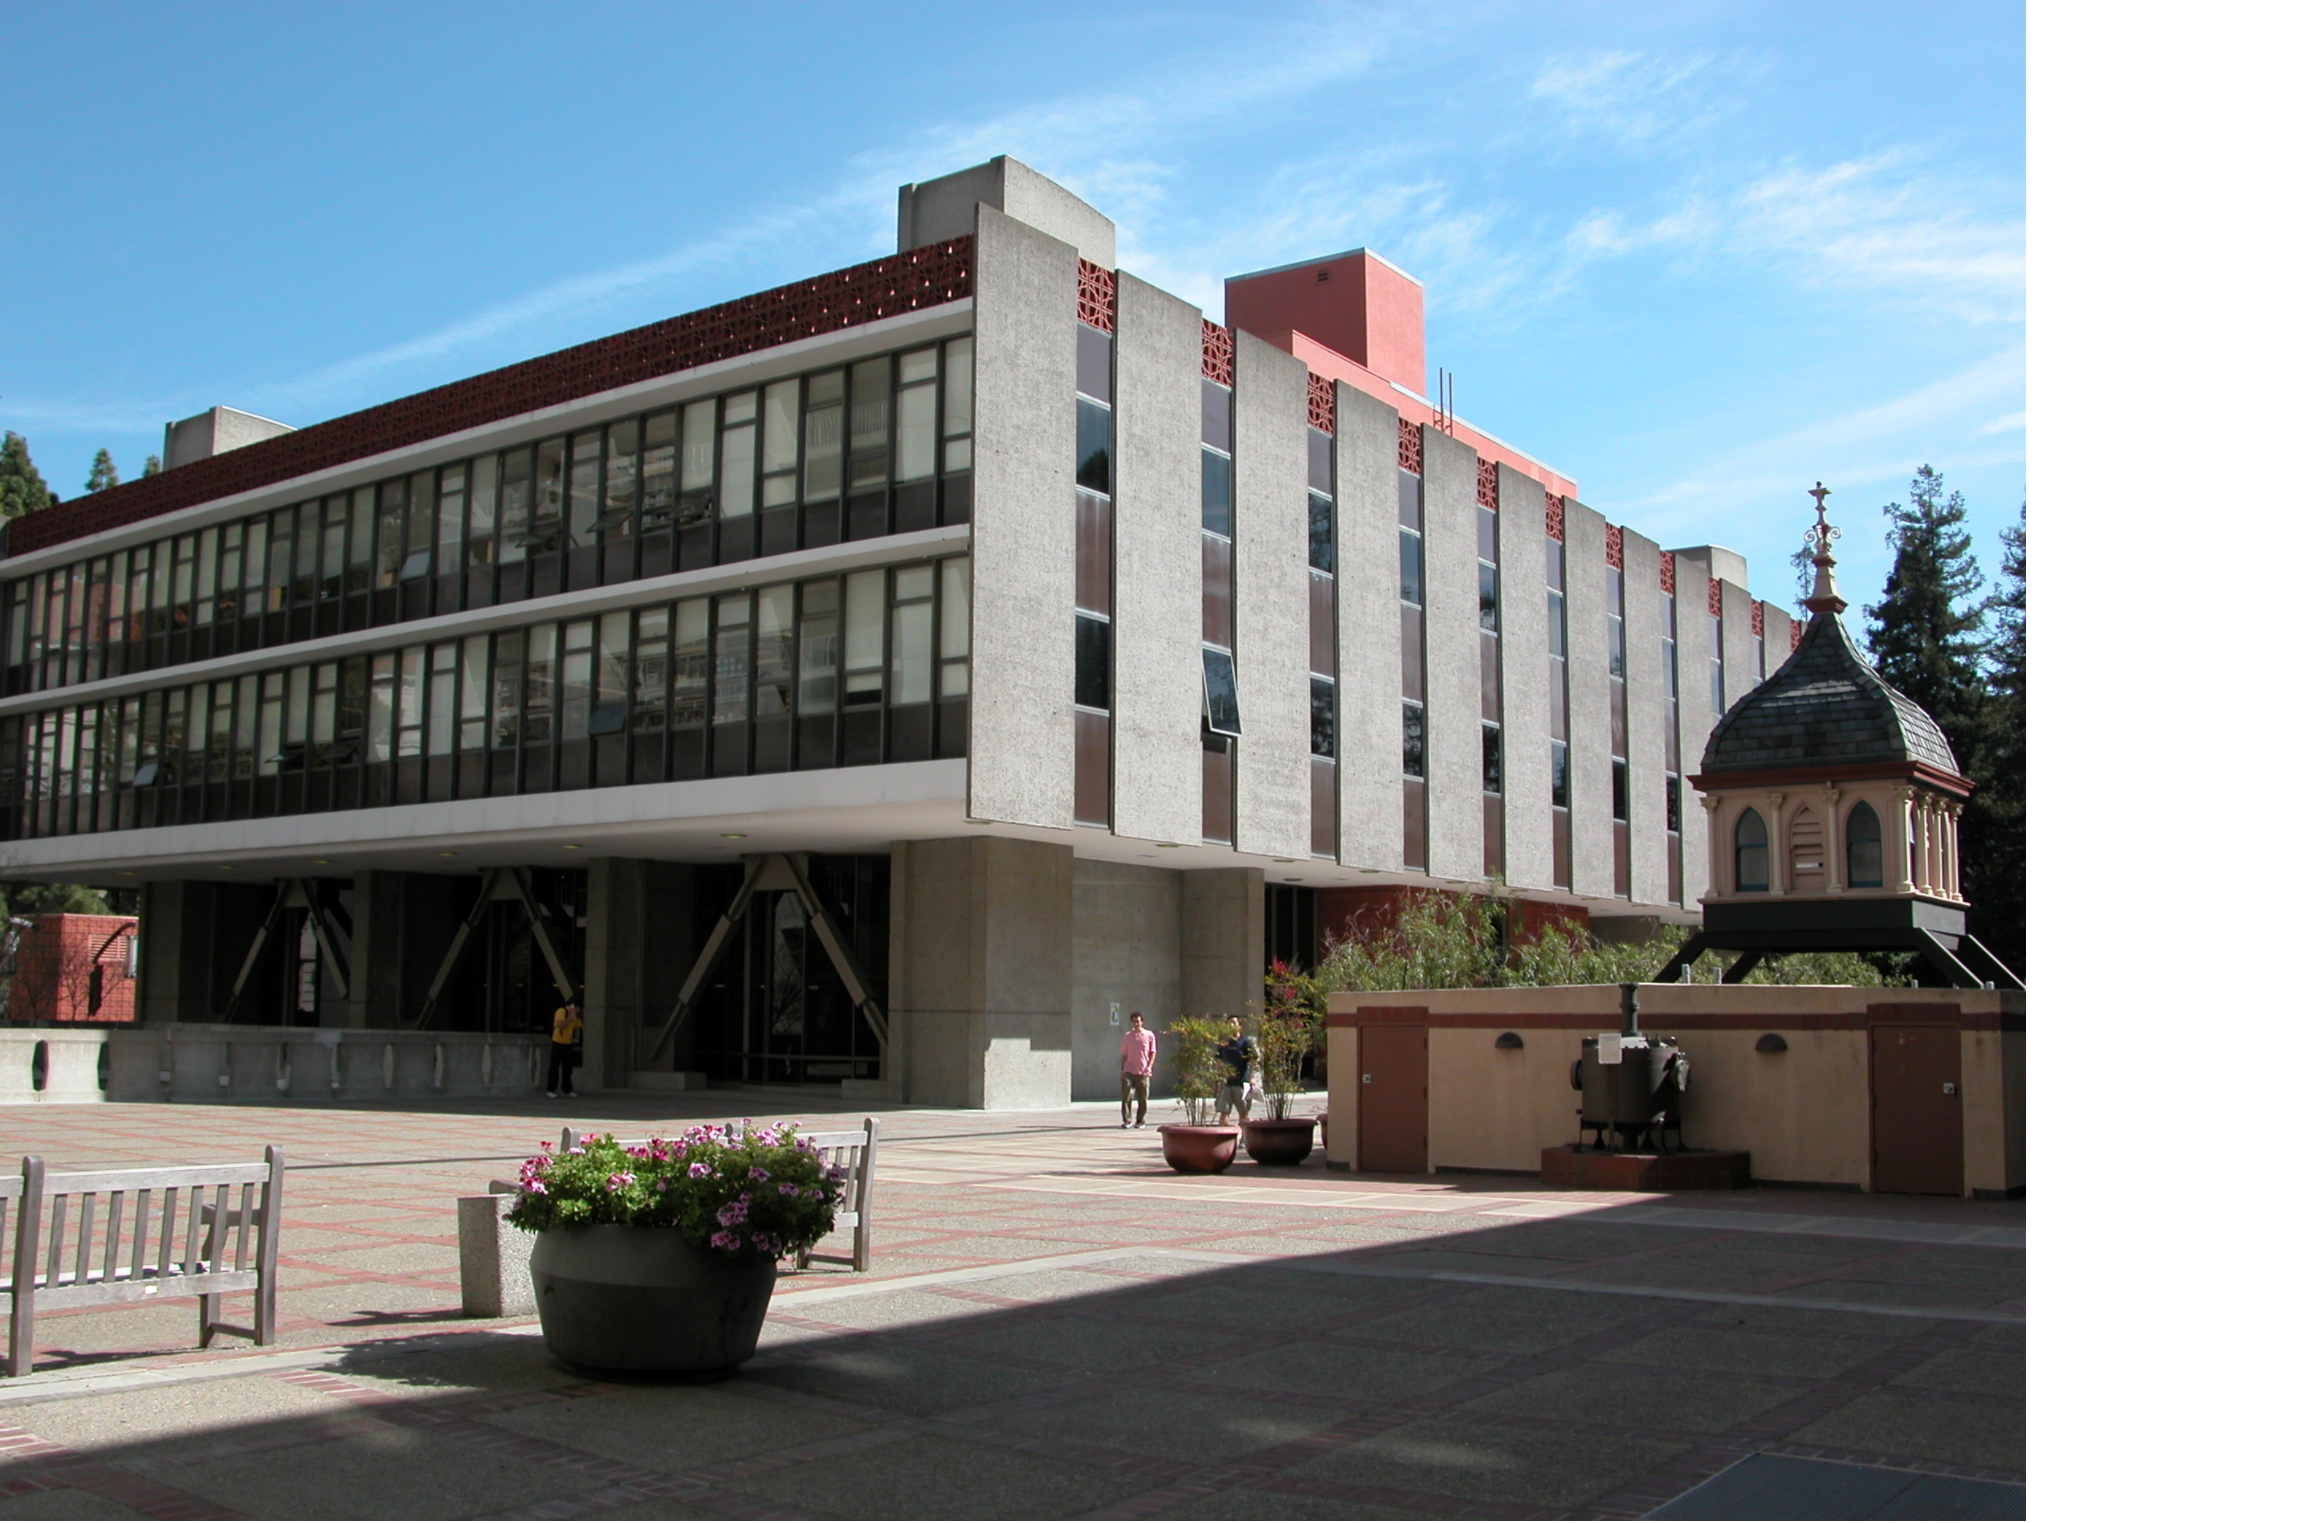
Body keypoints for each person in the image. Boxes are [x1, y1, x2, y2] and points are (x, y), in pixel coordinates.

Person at [1216, 1015, 1257, 1127]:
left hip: (1242, 1083)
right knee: (1224, 1112)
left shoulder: (1245, 1043)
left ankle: (1244, 1138)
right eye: (1229, 1023)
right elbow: (1219, 1060)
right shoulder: (1224, 1044)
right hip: (1227, 1083)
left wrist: (1252, 1077)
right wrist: (1218, 1078)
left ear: (1239, 1026)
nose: (1231, 1025)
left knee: (1243, 1112)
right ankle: (1224, 1139)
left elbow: (1253, 1060)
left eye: (1234, 1022)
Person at [1119, 1012, 1156, 1128]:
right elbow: (1124, 1054)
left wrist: (1149, 1066)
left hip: (1143, 1070)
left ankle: (1140, 1120)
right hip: (1129, 1069)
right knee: (1127, 1095)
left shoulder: (1149, 1035)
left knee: (1142, 1097)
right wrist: (1122, 1069)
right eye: (1134, 1021)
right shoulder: (1127, 1036)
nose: (1136, 1024)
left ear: (1142, 1022)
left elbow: (1153, 1052)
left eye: (1138, 1021)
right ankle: (1127, 1120)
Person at [547, 998, 582, 1098]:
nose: (579, 1011)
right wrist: (569, 1018)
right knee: (555, 1066)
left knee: (567, 1067)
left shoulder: (576, 1016)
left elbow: (577, 1027)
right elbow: (561, 1025)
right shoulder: (561, 1011)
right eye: (578, 1008)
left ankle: (567, 1089)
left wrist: (576, 1039)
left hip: (568, 1043)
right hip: (558, 1042)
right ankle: (551, 1089)